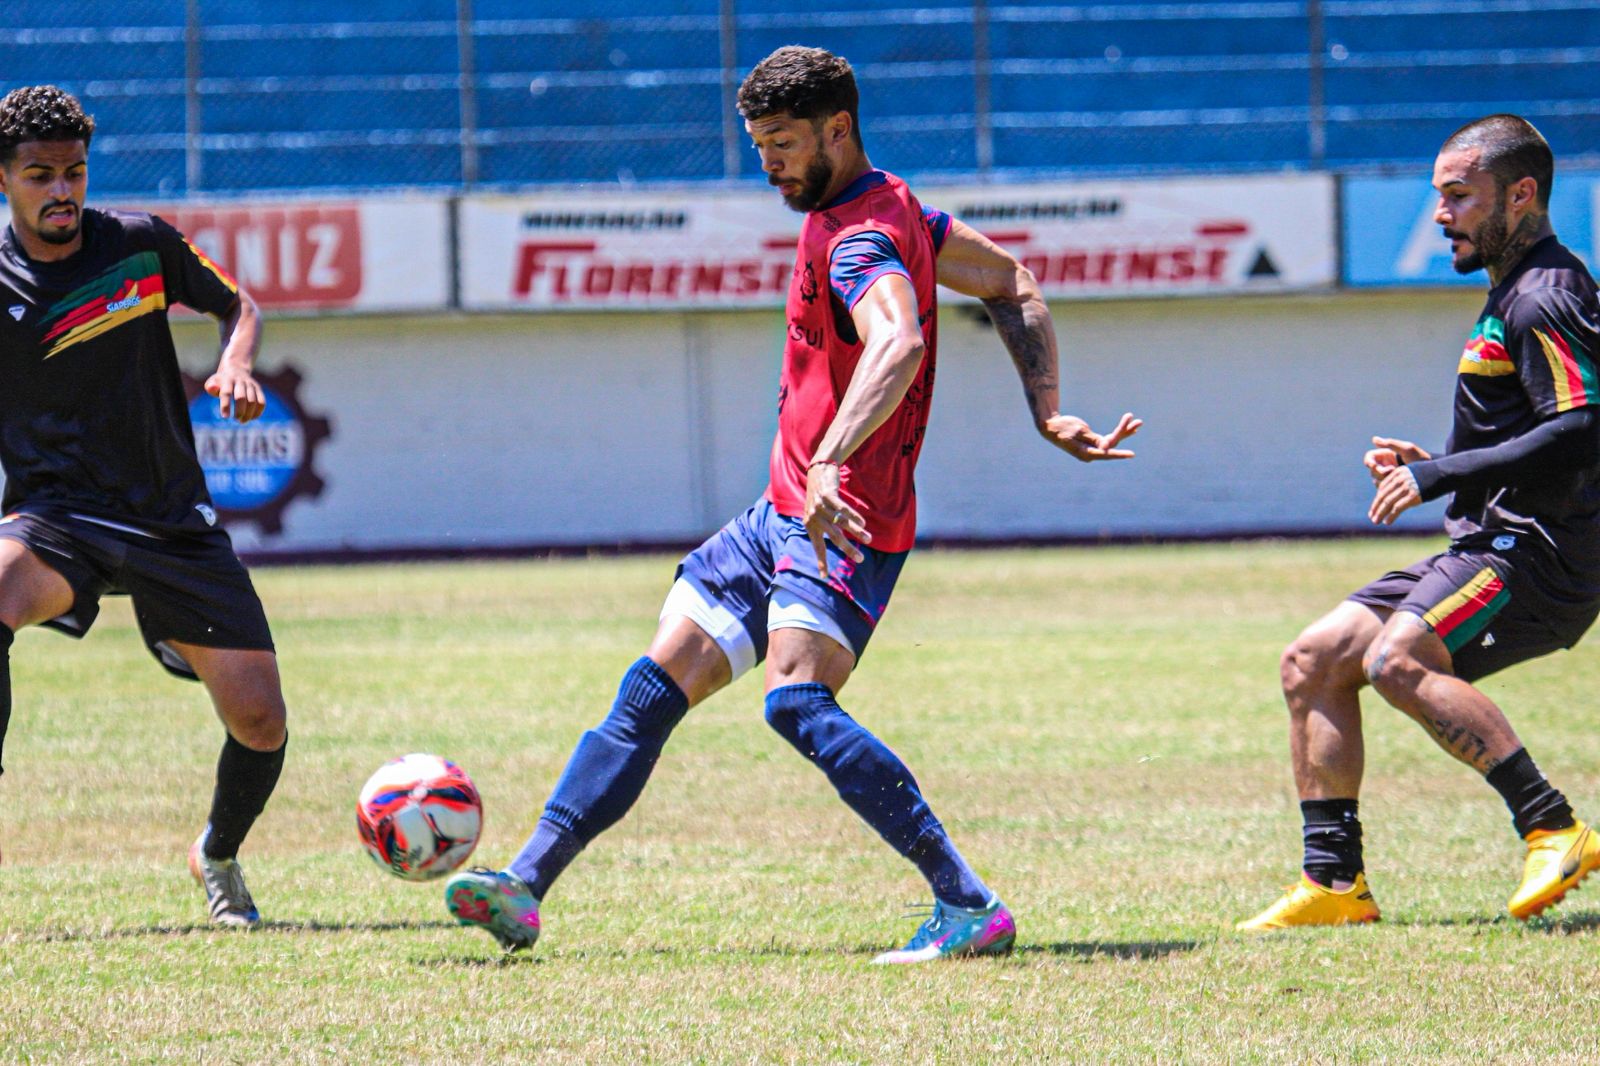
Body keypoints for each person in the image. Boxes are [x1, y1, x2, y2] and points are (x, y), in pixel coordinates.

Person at [446, 46, 1141, 962]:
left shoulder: (861, 241)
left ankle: (968, 905)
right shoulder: (892, 208)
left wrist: (829, 461)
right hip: (782, 514)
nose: (767, 163)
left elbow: (896, 343)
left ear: (837, 130)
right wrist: (1046, 409)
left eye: (780, 144)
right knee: (653, 687)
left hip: (843, 518)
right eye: (758, 145)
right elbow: (1012, 282)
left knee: (796, 705)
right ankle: (524, 886)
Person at [1239, 114, 1600, 931]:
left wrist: (1437, 474)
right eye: (1439, 196)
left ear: (1521, 194)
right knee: (1314, 660)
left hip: (1539, 554)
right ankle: (1334, 885)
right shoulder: (1512, 291)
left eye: (1459, 197)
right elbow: (1526, 427)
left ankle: (1552, 826)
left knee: (1396, 658)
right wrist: (1435, 456)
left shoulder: (1546, 293)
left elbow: (1583, 427)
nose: (1441, 214)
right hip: (1491, 539)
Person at [0, 86, 288, 926]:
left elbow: (239, 306)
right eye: (41, 175)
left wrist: (236, 363)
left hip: (168, 519)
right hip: (59, 516)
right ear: (6, 180)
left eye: (75, 172)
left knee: (261, 723)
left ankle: (218, 853)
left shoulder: (138, 244)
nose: (62, 190)